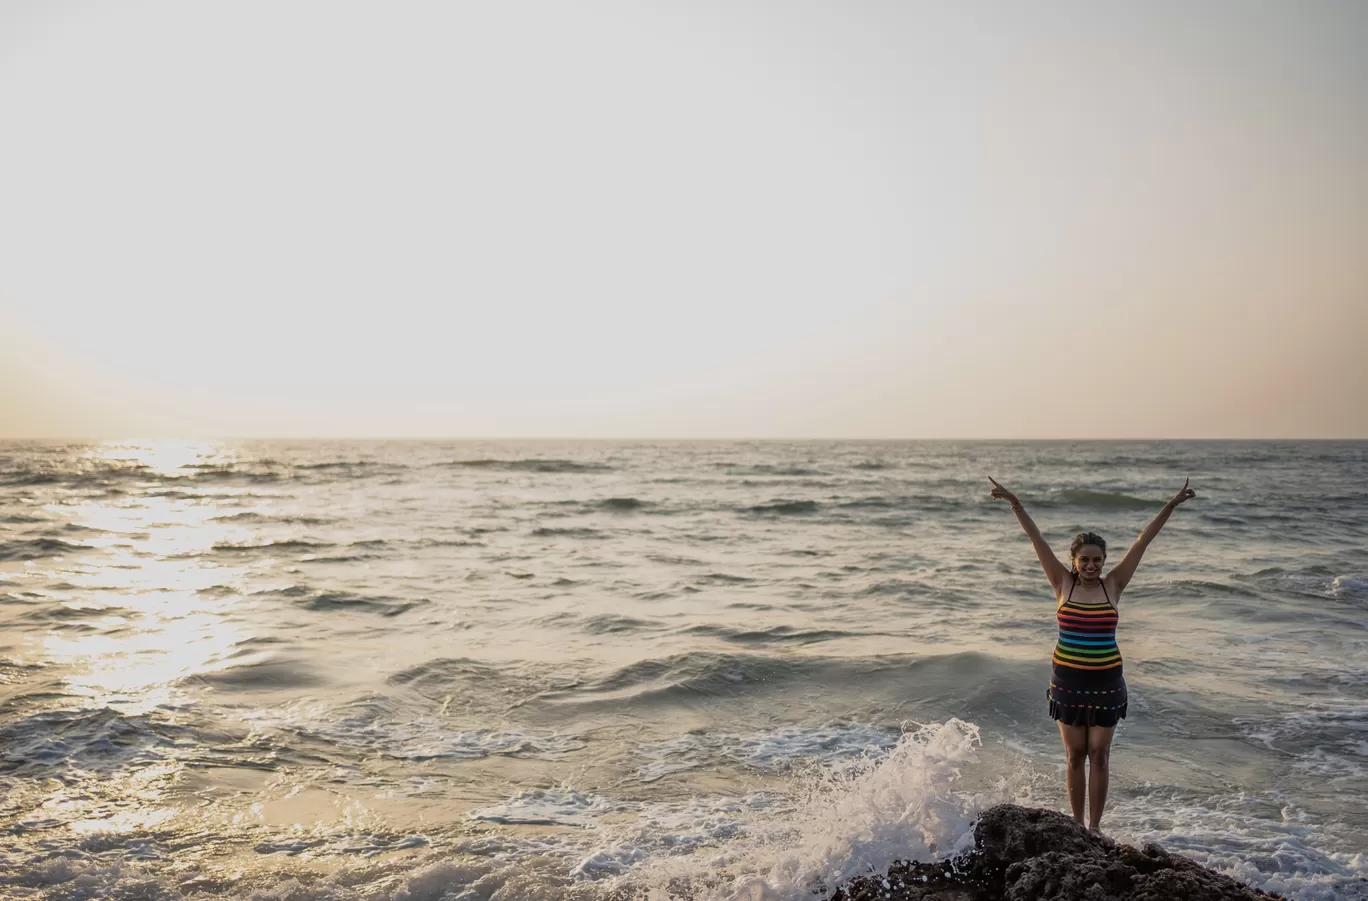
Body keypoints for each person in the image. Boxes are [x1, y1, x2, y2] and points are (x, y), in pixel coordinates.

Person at [988, 476, 1197, 833]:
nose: (1091, 565)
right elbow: (1036, 539)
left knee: (1099, 755)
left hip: (1106, 682)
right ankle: (1076, 823)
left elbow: (1142, 541)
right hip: (1067, 682)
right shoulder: (1062, 584)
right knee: (1074, 757)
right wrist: (1015, 504)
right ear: (1073, 560)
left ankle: (1095, 828)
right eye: (1084, 559)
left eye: (1097, 560)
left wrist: (1171, 505)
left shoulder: (1113, 585)